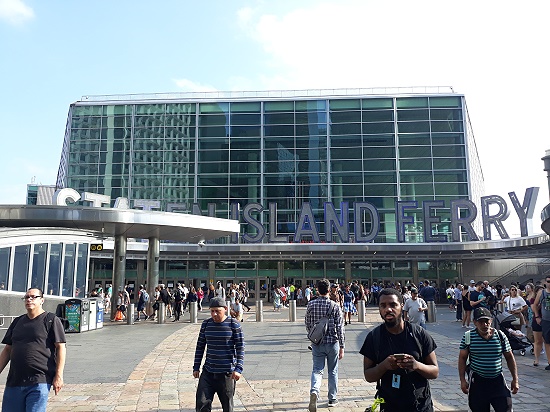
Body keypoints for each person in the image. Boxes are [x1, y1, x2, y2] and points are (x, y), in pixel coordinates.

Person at [360, 288, 439, 412]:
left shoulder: (419, 334)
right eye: (383, 305)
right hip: (389, 405)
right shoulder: (374, 337)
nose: (388, 309)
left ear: (401, 306)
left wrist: (416, 365)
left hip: (420, 405)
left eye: (393, 305)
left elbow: (435, 372)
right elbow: (368, 375)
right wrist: (384, 366)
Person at [0, 288, 67, 412]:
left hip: (39, 380)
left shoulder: (51, 320)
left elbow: (61, 348)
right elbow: (8, 349)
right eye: (26, 297)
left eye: (33, 297)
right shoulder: (18, 321)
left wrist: (59, 375)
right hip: (14, 381)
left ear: (42, 300)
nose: (29, 300)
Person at [458, 307, 519, 411]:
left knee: (506, 407)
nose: (484, 325)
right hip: (478, 382)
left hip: (497, 380)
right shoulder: (468, 337)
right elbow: (462, 359)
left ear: (491, 321)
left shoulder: (500, 336)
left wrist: (515, 379)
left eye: (487, 321)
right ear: (475, 322)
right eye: (481, 322)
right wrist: (463, 380)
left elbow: (509, 357)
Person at [193, 297, 245, 412]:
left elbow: (240, 348)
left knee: (227, 407)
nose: (214, 314)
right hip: (208, 373)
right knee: (201, 404)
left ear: (225, 309)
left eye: (218, 311)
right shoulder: (206, 324)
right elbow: (200, 346)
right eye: (212, 311)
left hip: (226, 374)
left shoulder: (234, 325)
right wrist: (196, 367)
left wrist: (238, 369)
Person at [305, 279, 345, 411]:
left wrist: (314, 336)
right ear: (329, 290)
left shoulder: (311, 305)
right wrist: (342, 345)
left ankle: (315, 391)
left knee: (317, 369)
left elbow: (308, 323)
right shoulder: (335, 305)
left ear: (317, 289)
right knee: (333, 370)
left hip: (317, 343)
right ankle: (332, 398)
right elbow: (340, 327)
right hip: (332, 342)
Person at [532, 275, 550, 370]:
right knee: (547, 341)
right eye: (548, 281)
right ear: (545, 282)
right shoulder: (542, 293)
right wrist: (537, 316)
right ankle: (549, 361)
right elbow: (535, 305)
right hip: (546, 320)